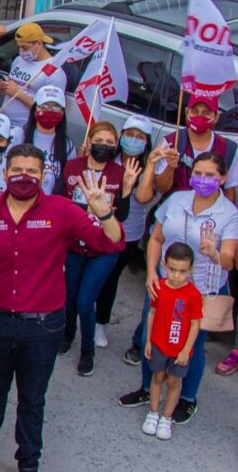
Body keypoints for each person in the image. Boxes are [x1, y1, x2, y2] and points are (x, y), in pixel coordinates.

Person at [0, 143, 124, 472]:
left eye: (32, 171)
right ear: (5, 173)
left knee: (32, 399)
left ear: (44, 175)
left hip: (42, 327)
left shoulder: (61, 210)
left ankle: (28, 463)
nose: (24, 177)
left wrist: (104, 213)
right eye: (17, 170)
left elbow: (111, 244)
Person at [118, 152, 238, 424]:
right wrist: (151, 272)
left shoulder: (230, 214)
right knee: (152, 338)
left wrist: (213, 253)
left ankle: (187, 399)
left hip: (201, 291)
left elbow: (229, 260)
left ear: (222, 179)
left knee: (192, 346)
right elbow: (156, 238)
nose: (202, 179)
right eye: (198, 173)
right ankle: (147, 389)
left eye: (210, 175)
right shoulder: (177, 199)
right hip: (164, 284)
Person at [59, 122, 141, 376]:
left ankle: (88, 350)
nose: (104, 146)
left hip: (104, 249)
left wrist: (127, 190)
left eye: (109, 142)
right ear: (90, 141)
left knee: (85, 301)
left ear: (115, 146)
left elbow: (122, 216)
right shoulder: (73, 167)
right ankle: (68, 334)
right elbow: (61, 202)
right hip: (75, 246)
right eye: (99, 140)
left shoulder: (120, 172)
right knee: (70, 297)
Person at [96, 115, 158, 360]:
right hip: (98, 227)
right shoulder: (107, 157)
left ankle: (100, 322)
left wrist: (149, 167)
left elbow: (142, 198)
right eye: (129, 134)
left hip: (128, 233)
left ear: (147, 142)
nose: (133, 140)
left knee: (111, 278)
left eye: (140, 137)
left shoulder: (149, 168)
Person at [142, 242, 202, 441]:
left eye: (182, 271)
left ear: (191, 270)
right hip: (159, 344)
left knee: (174, 381)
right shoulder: (159, 287)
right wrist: (148, 341)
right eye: (172, 269)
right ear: (164, 265)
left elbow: (195, 324)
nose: (177, 275)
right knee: (157, 377)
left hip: (179, 349)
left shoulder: (193, 294)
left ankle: (166, 417)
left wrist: (186, 350)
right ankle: (153, 413)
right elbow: (151, 313)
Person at [153, 94, 238, 202]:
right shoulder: (171, 142)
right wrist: (170, 168)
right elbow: (161, 189)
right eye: (194, 111)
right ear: (186, 112)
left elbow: (229, 192)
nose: (199, 117)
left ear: (216, 118)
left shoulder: (229, 149)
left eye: (206, 113)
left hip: (211, 211)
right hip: (174, 209)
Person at [0, 23, 67, 129]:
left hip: (25, 127)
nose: (21, 52)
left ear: (39, 44)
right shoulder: (18, 60)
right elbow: (13, 89)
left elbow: (49, 113)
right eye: (19, 47)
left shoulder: (54, 72)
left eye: (25, 48)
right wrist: (5, 87)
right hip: (4, 123)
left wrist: (18, 93)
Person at [13, 85, 75, 195]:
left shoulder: (68, 146)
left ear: (63, 112)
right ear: (35, 109)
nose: (49, 110)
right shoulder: (18, 135)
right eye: (44, 106)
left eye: (56, 107)